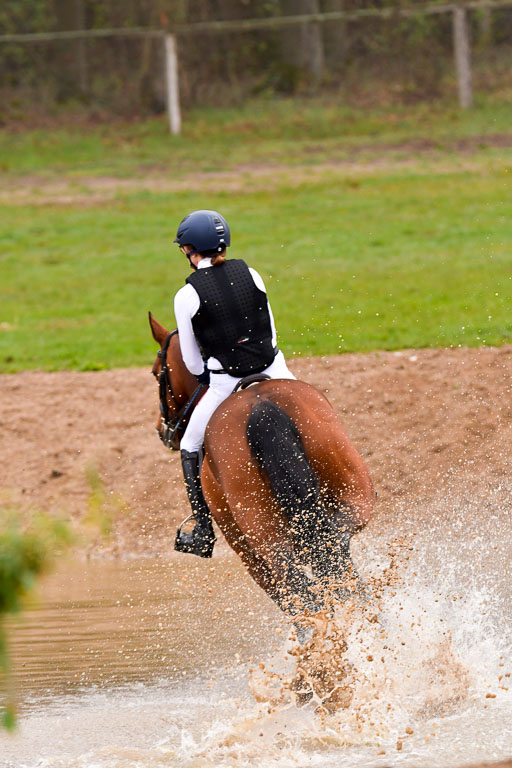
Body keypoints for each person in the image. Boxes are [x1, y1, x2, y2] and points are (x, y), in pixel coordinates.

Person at [172, 209, 295, 558]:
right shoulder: (251, 274)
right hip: (276, 369)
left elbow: (192, 361)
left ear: (190, 249)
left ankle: (203, 531)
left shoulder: (186, 296)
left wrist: (209, 376)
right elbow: (271, 332)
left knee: (191, 445)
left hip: (226, 383)